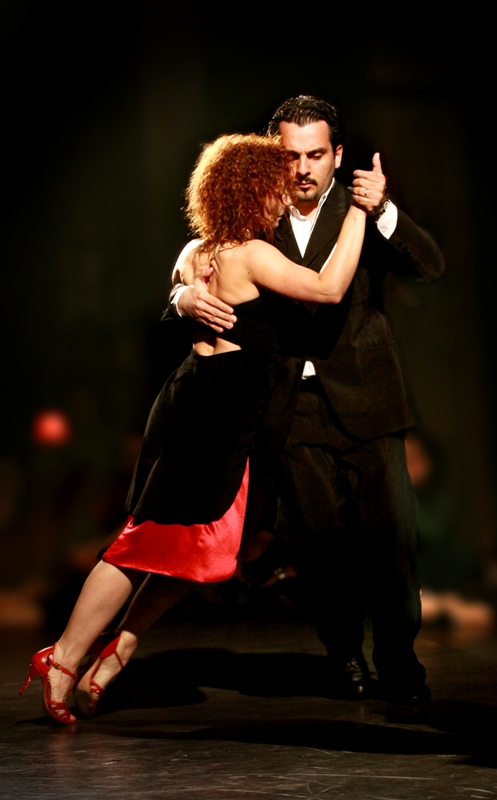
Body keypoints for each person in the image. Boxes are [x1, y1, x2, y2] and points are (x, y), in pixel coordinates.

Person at [19, 132, 368, 725]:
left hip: (203, 404)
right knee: (142, 543)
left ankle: (115, 653)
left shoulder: (197, 251)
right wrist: (359, 211)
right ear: (252, 191)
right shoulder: (249, 254)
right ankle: (65, 657)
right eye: (276, 188)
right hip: (214, 415)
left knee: (196, 551)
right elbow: (329, 288)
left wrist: (181, 296)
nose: (285, 198)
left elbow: (180, 288)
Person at [174, 96, 445, 703]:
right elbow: (198, 251)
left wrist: (385, 211)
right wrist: (182, 296)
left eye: (316, 155)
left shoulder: (361, 206)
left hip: (369, 399)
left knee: (392, 542)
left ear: (338, 155)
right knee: (317, 545)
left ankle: (400, 664)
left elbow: (431, 266)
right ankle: (344, 653)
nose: (302, 168)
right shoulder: (257, 210)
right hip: (288, 407)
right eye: (290, 156)